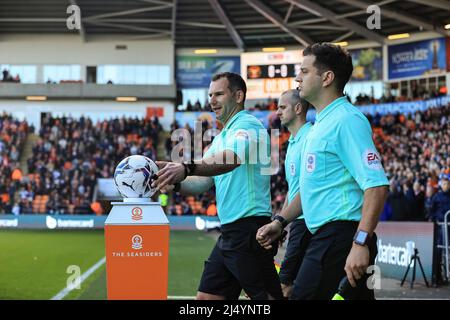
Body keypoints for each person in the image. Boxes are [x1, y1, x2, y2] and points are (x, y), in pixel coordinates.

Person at [257, 43, 389, 300]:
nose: (297, 78)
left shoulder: (346, 120)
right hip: (330, 235)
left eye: (304, 71)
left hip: (339, 236)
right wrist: (280, 222)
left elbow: (376, 186)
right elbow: (311, 192)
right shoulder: (320, 124)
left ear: (327, 78)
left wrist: (360, 242)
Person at [152, 72, 283, 300]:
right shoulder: (223, 137)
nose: (212, 100)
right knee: (206, 298)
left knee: (266, 300)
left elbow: (231, 159)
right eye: (210, 94)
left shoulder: (248, 124)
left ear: (239, 95)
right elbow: (202, 181)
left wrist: (185, 168)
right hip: (231, 231)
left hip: (249, 229)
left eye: (219, 94)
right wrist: (173, 183)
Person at [272, 89, 313, 299]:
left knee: (285, 285)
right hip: (297, 221)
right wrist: (281, 222)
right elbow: (293, 189)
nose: (277, 112)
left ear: (298, 108)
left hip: (307, 222)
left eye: (282, 107)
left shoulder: (310, 138)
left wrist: (283, 221)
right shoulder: (293, 143)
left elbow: (308, 190)